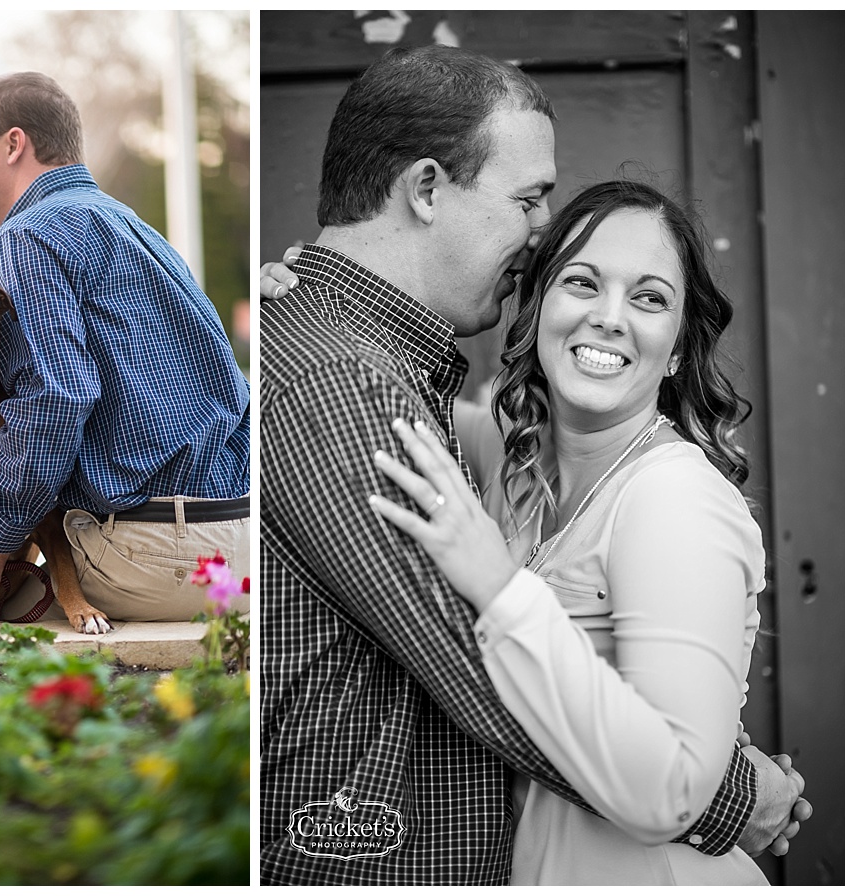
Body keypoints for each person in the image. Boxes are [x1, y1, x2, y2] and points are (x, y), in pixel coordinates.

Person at [257, 46, 805, 885]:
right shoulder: (368, 391)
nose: (540, 228)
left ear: (680, 342)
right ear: (429, 188)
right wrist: (735, 795)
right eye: (529, 200)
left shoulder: (656, 492)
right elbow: (476, 665)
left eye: (650, 297)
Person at [368, 179, 799, 884]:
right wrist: (312, 294)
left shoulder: (673, 496)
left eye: (649, 297)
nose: (609, 316)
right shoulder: (516, 462)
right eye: (582, 282)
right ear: (539, 310)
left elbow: (673, 794)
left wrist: (501, 590)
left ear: (679, 350)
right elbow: (398, 389)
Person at [0, 72, 251, 623]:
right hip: (234, 533)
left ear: (13, 143)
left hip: (157, 554)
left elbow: (59, 395)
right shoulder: (128, 222)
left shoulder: (27, 235)